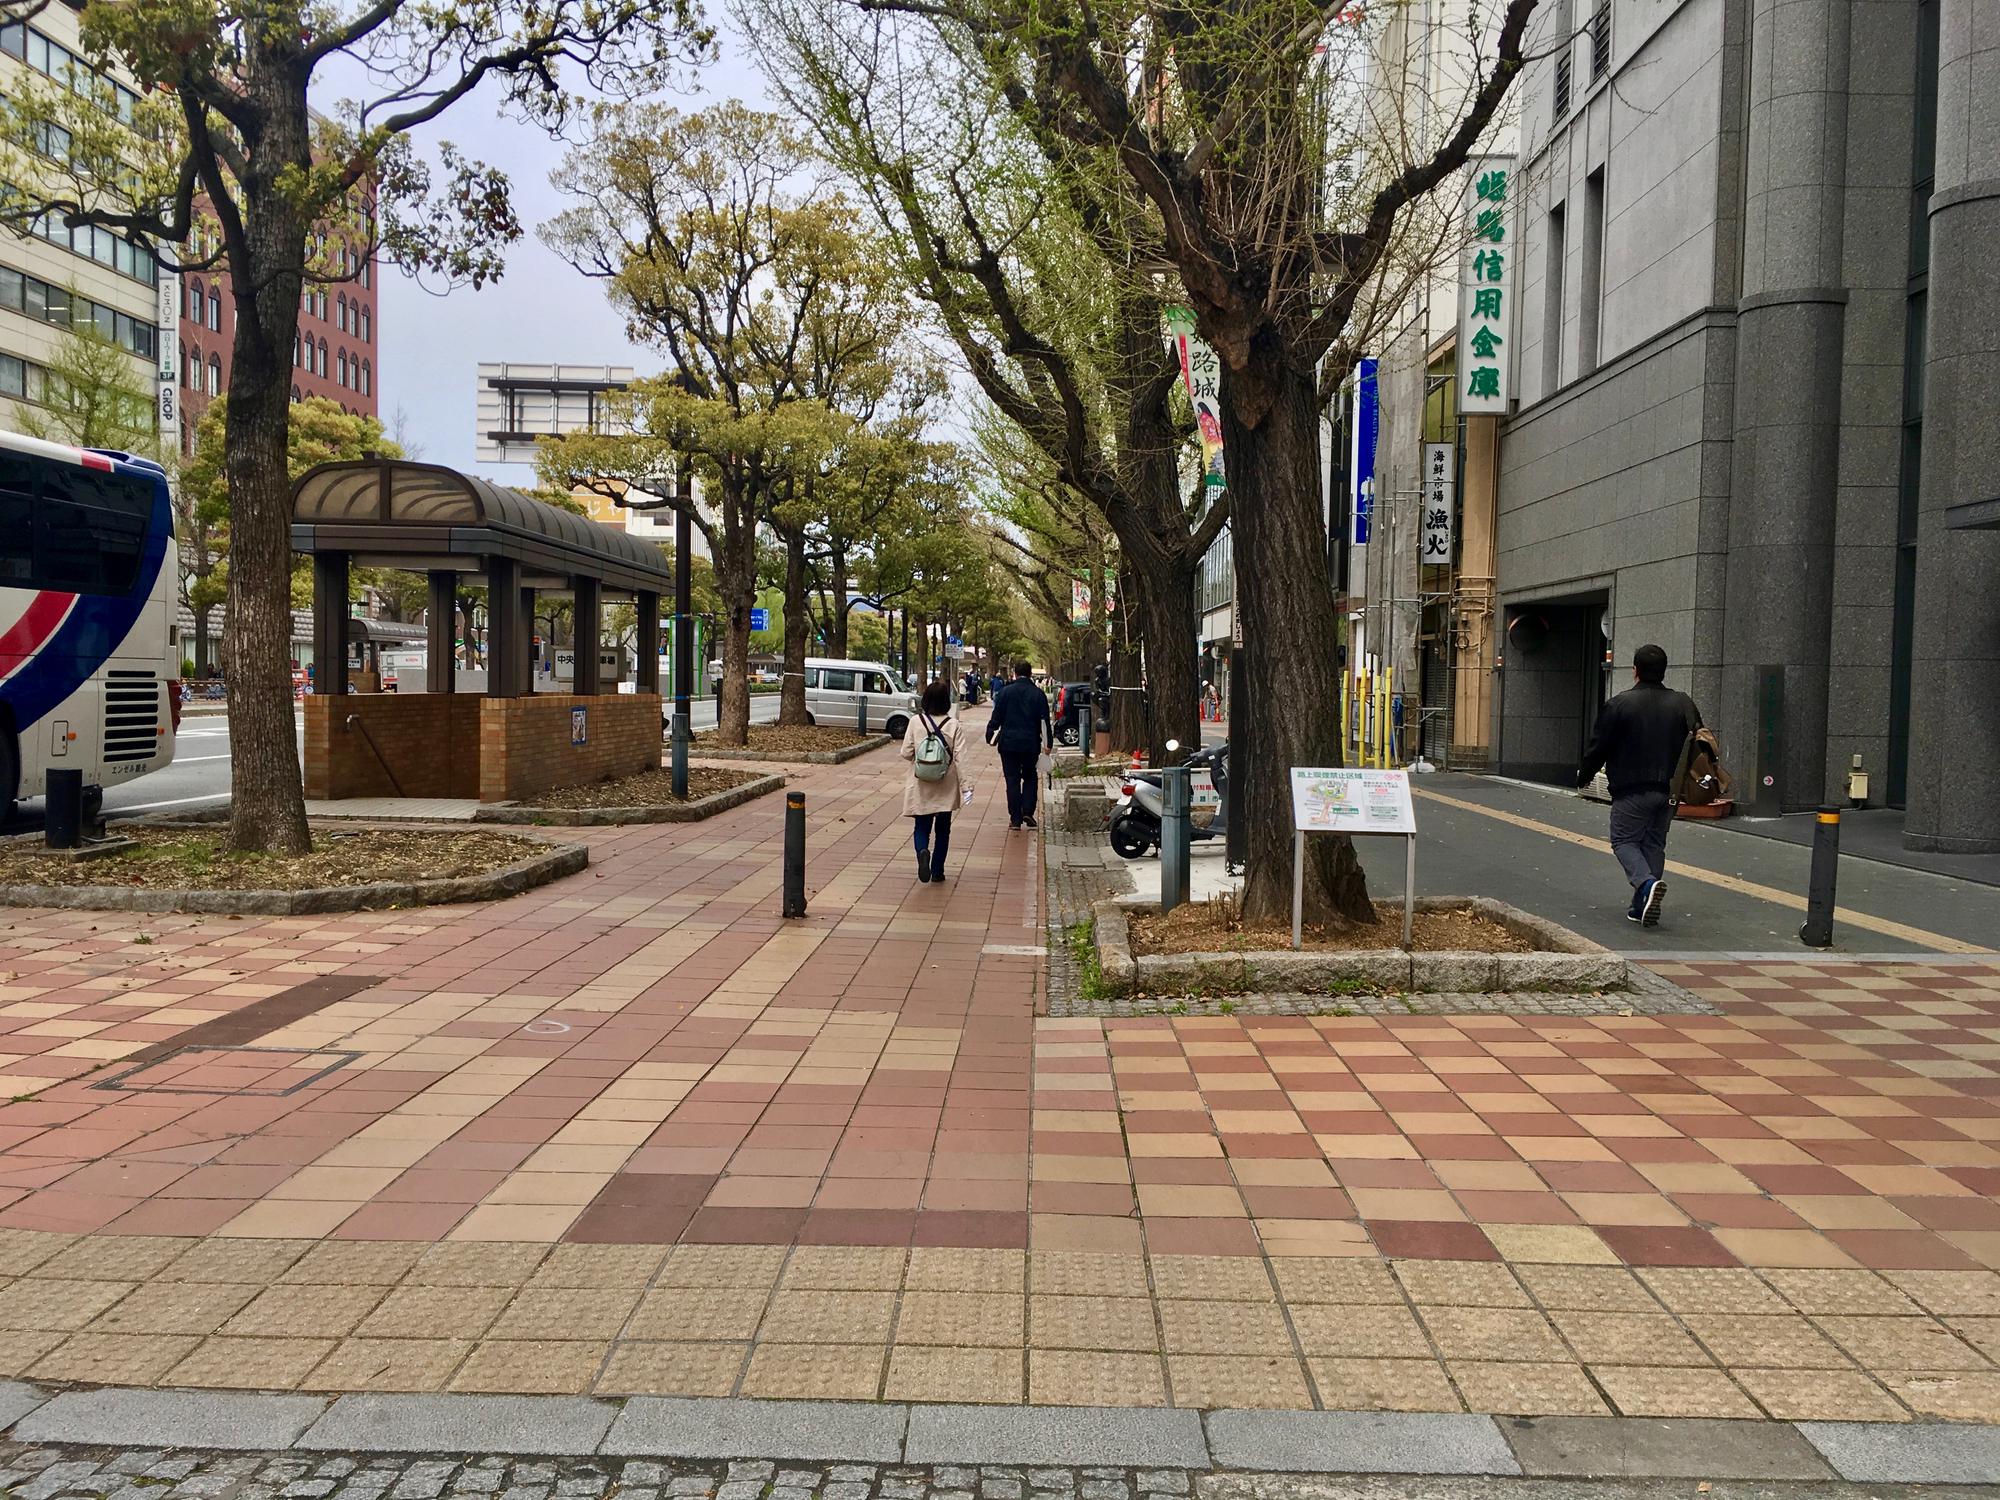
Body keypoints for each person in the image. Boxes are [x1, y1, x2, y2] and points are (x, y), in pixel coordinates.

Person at [1577, 643, 1703, 927]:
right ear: (1663, 671)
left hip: (1631, 788)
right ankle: (1640, 906)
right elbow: (1699, 740)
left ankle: (1646, 886)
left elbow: (1599, 746)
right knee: (1654, 843)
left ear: (1635, 671)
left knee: (1624, 841)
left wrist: (1584, 775)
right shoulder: (1683, 702)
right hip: (1669, 790)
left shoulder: (1620, 704)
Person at [901, 679, 964, 883]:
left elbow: (906, 752)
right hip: (945, 781)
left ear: (925, 700)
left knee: (922, 825)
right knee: (943, 829)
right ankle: (937, 871)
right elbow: (961, 757)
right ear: (947, 701)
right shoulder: (953, 724)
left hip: (922, 781)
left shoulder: (915, 722)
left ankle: (922, 851)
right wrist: (967, 786)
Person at [986, 659, 1052, 829]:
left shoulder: (1005, 692)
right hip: (1030, 743)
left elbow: (997, 716)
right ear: (1030, 674)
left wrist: (990, 732)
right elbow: (1044, 721)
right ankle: (1028, 811)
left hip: (1008, 743)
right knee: (1030, 777)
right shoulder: (1038, 694)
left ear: (1015, 673)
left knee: (1012, 780)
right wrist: (1048, 743)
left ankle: (1015, 818)